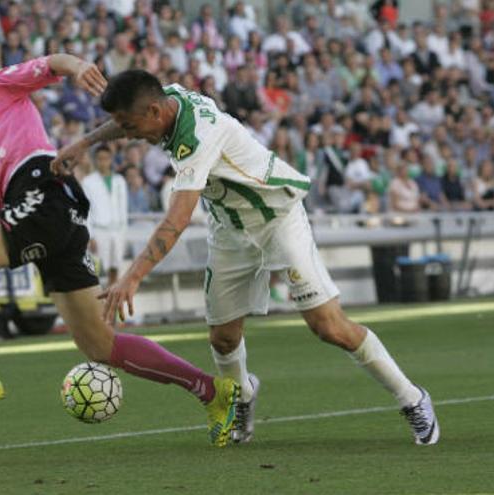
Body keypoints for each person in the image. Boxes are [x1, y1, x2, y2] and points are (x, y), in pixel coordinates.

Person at [52, 70, 439, 446]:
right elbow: (125, 121)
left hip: (277, 218)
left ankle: (413, 399)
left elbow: (179, 217)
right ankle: (242, 397)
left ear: (154, 112)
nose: (129, 135)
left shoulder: (196, 137)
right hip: (229, 227)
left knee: (329, 327)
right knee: (222, 338)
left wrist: (133, 276)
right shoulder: (163, 100)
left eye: (131, 126)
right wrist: (83, 144)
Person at [0, 55, 240, 445]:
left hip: (42, 194)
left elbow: (49, 64)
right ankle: (214, 391)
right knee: (99, 345)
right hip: (56, 213)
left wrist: (76, 67)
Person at [81, 146, 129, 286]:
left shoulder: (119, 180)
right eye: (100, 159)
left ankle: (114, 303)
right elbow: (86, 210)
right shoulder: (88, 182)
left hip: (118, 229)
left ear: (111, 160)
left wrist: (124, 233)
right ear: (96, 161)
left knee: (117, 269)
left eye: (106, 159)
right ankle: (102, 305)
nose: (103, 162)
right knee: (101, 270)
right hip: (99, 229)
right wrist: (91, 236)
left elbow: (123, 209)